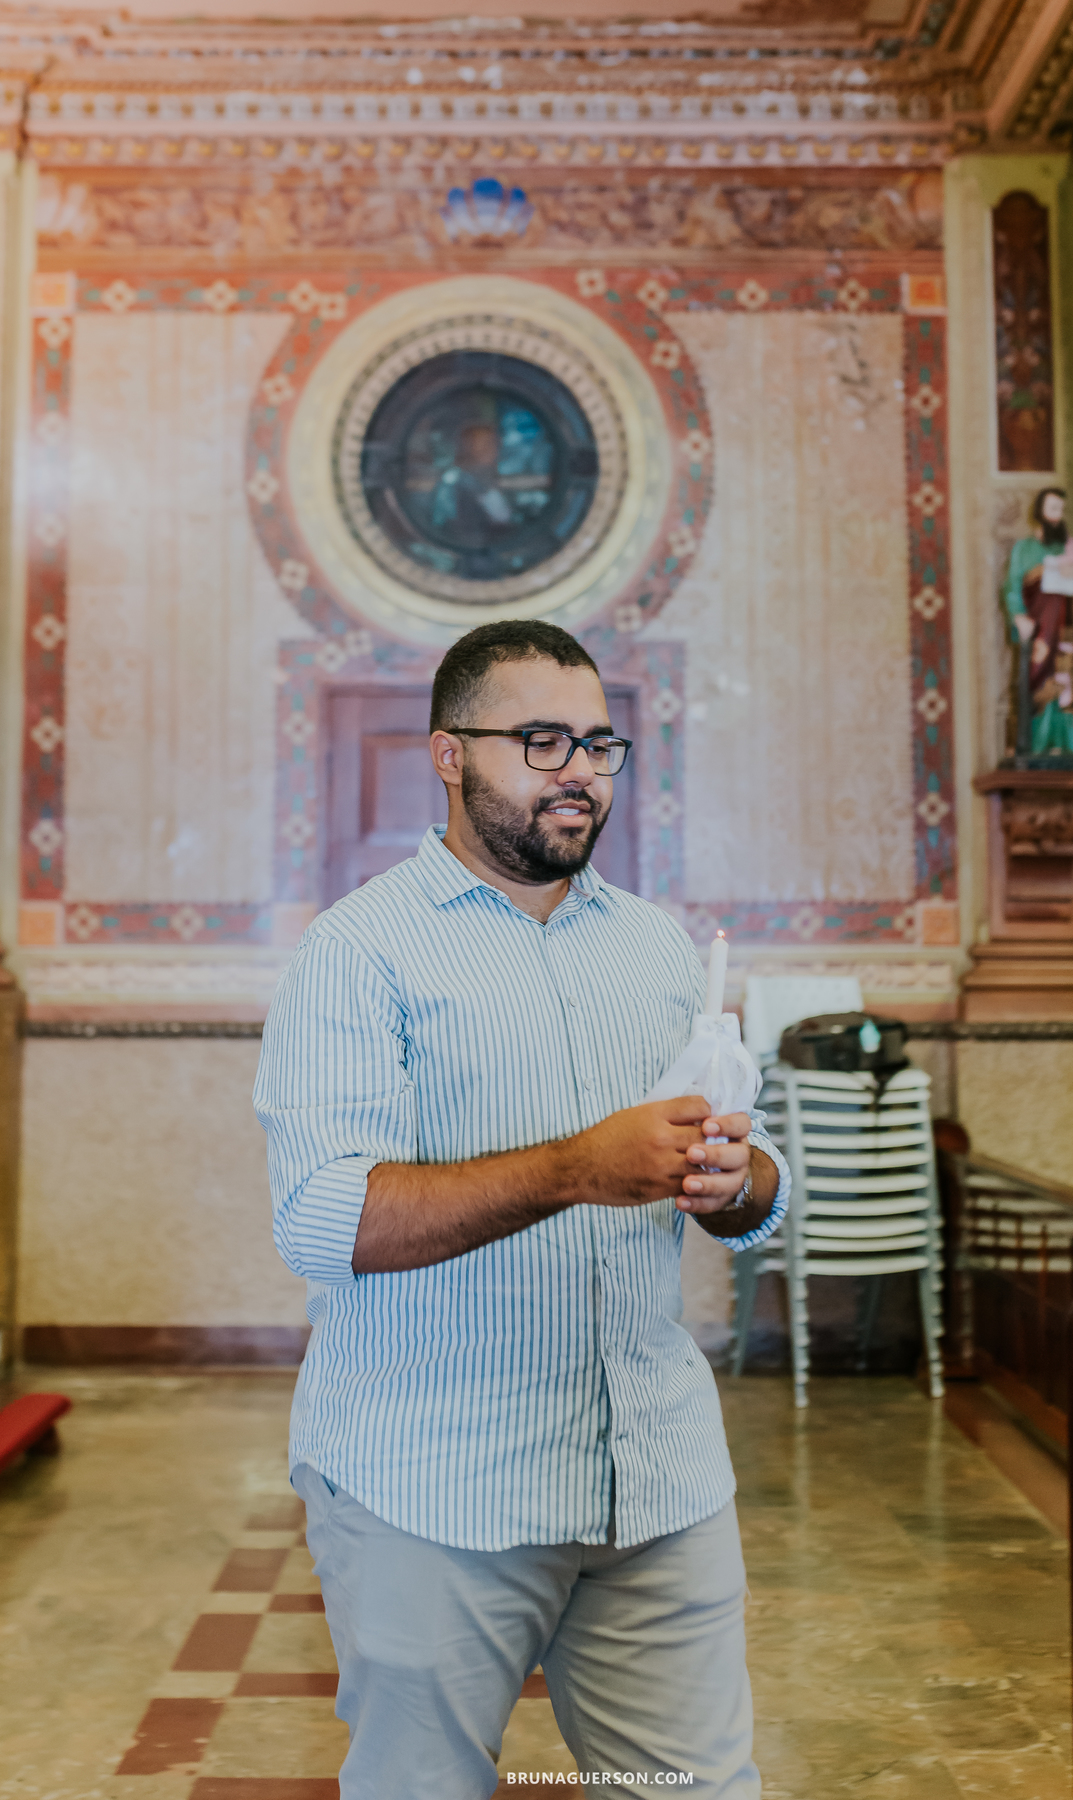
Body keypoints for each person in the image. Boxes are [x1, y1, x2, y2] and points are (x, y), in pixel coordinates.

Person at [253, 619, 790, 1799]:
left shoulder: (655, 950)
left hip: (654, 1477)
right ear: (449, 756)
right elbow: (326, 1220)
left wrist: (734, 1182)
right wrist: (573, 1169)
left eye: (599, 743)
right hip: (433, 1484)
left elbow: (754, 1194)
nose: (581, 771)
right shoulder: (359, 954)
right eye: (541, 740)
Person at [1003, 486, 1073, 757]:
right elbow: (1011, 586)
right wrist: (1018, 616)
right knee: (1037, 679)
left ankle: (1066, 745)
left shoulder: (1069, 548)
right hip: (1039, 627)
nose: (1058, 516)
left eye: (1062, 511)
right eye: (1053, 509)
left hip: (1068, 626)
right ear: (1040, 512)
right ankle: (1036, 745)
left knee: (1066, 678)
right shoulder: (1024, 549)